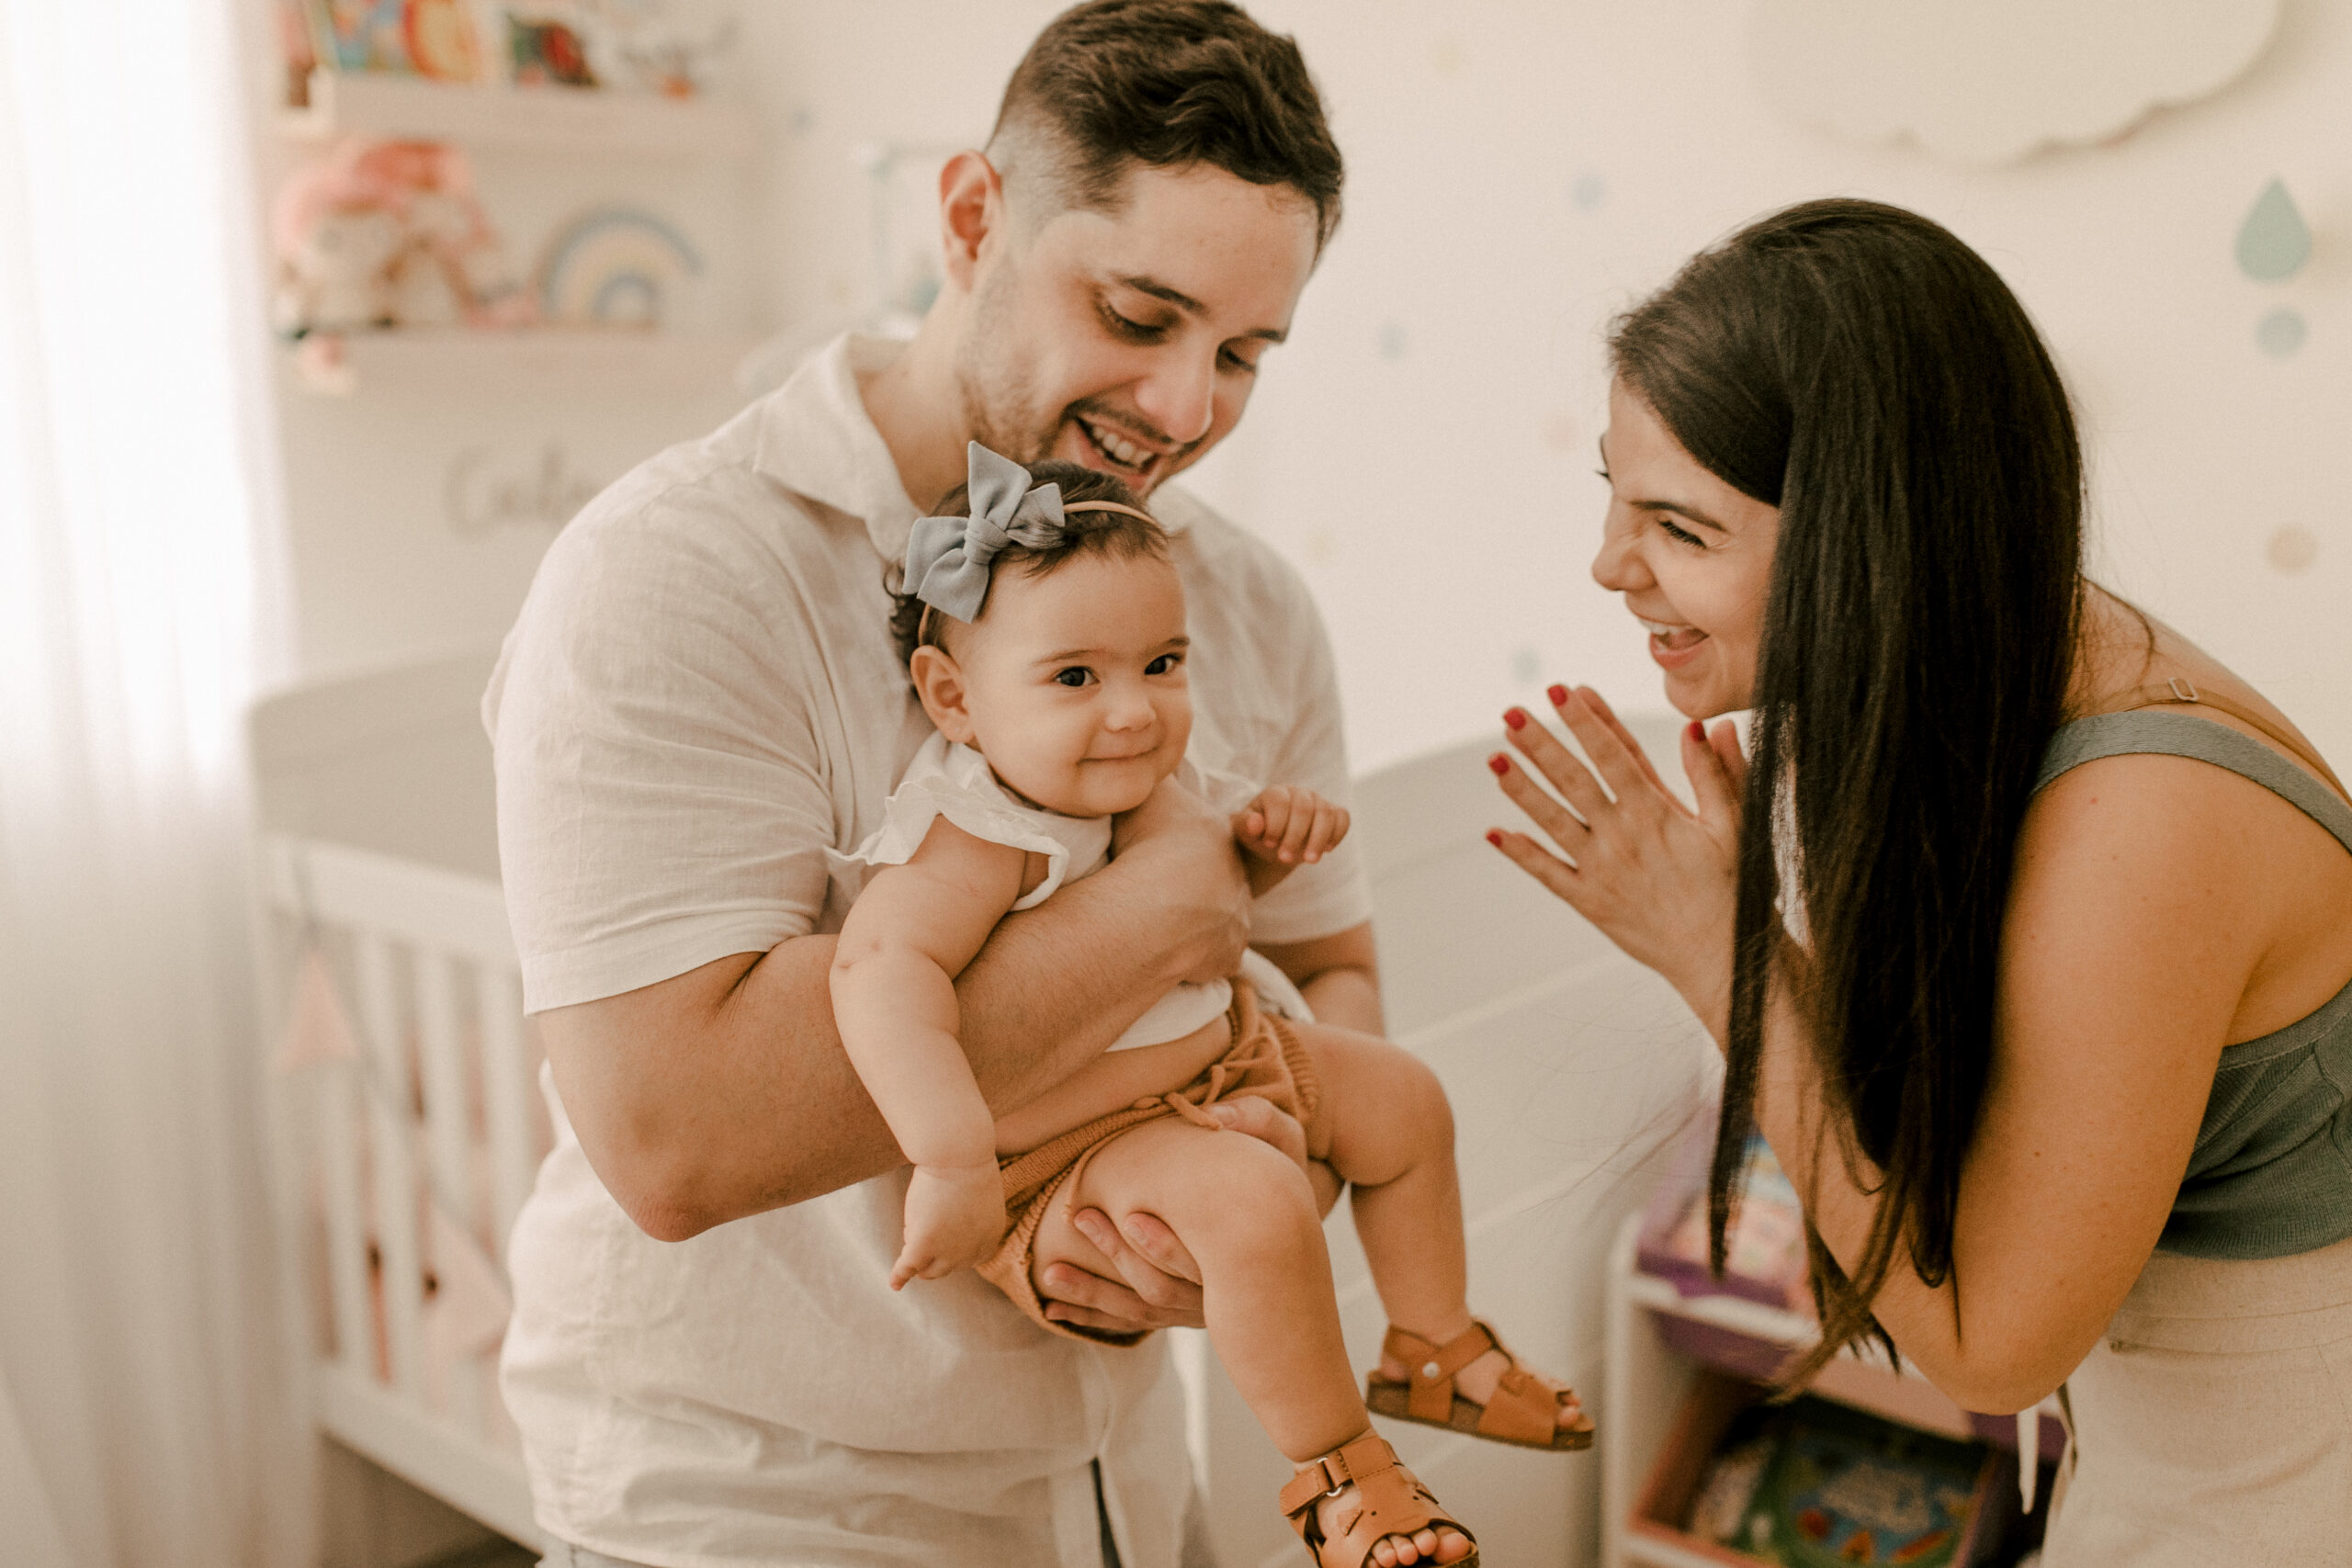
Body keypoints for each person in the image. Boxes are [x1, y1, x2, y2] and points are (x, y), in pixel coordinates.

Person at [485, 5, 1411, 1563]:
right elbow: (672, 1135)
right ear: (975, 217)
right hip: (762, 1503)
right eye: (1138, 315)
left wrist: (1271, 1175)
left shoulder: (1243, 603)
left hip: (1128, 1485)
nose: (1187, 409)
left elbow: (1332, 969)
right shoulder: (677, 574)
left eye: (1243, 354)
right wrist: (1167, 910)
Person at [1485, 197, 2352, 1565]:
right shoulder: (1999, 671)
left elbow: (1990, 1345)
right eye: (1613, 494)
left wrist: (1722, 954)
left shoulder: (2143, 823)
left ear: (1875, 540)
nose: (1609, 564)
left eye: (1680, 528)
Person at [831, 445, 1592, 1567]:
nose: (1134, 712)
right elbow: (878, 971)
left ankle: (1432, 1345)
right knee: (1252, 1202)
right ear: (955, 699)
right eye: (1074, 679)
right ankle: (1340, 1479)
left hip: (1232, 1061)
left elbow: (1204, 914)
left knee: (1403, 1099)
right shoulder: (981, 831)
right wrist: (949, 1161)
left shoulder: (1151, 781)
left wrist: (1267, 847)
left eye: (1162, 663)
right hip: (1074, 1153)